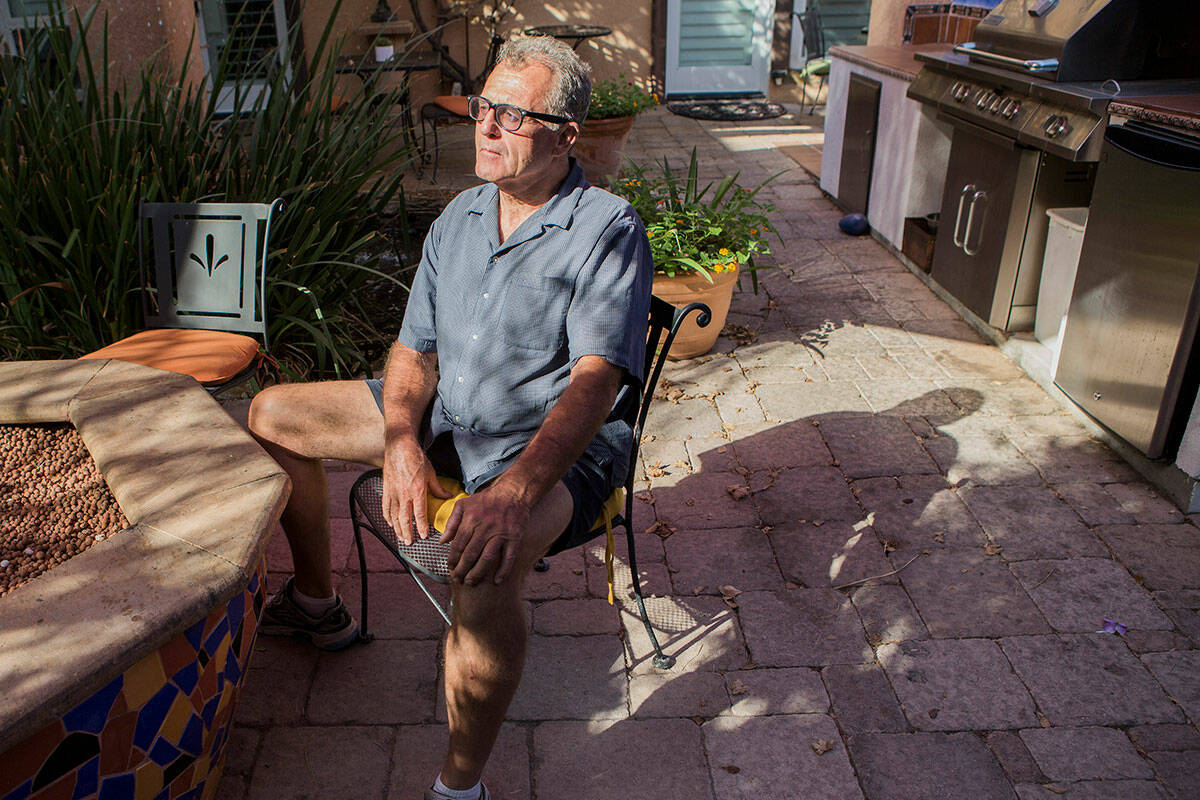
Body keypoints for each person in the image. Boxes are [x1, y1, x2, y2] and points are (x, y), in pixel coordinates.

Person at [247, 35, 653, 800]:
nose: (487, 127)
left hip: (559, 447)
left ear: (566, 136)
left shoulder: (607, 228)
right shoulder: (460, 218)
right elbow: (413, 352)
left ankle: (460, 786)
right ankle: (315, 605)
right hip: (450, 418)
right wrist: (401, 439)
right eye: (483, 106)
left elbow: (596, 384)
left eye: (513, 114)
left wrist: (515, 493)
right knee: (273, 412)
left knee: (484, 559)